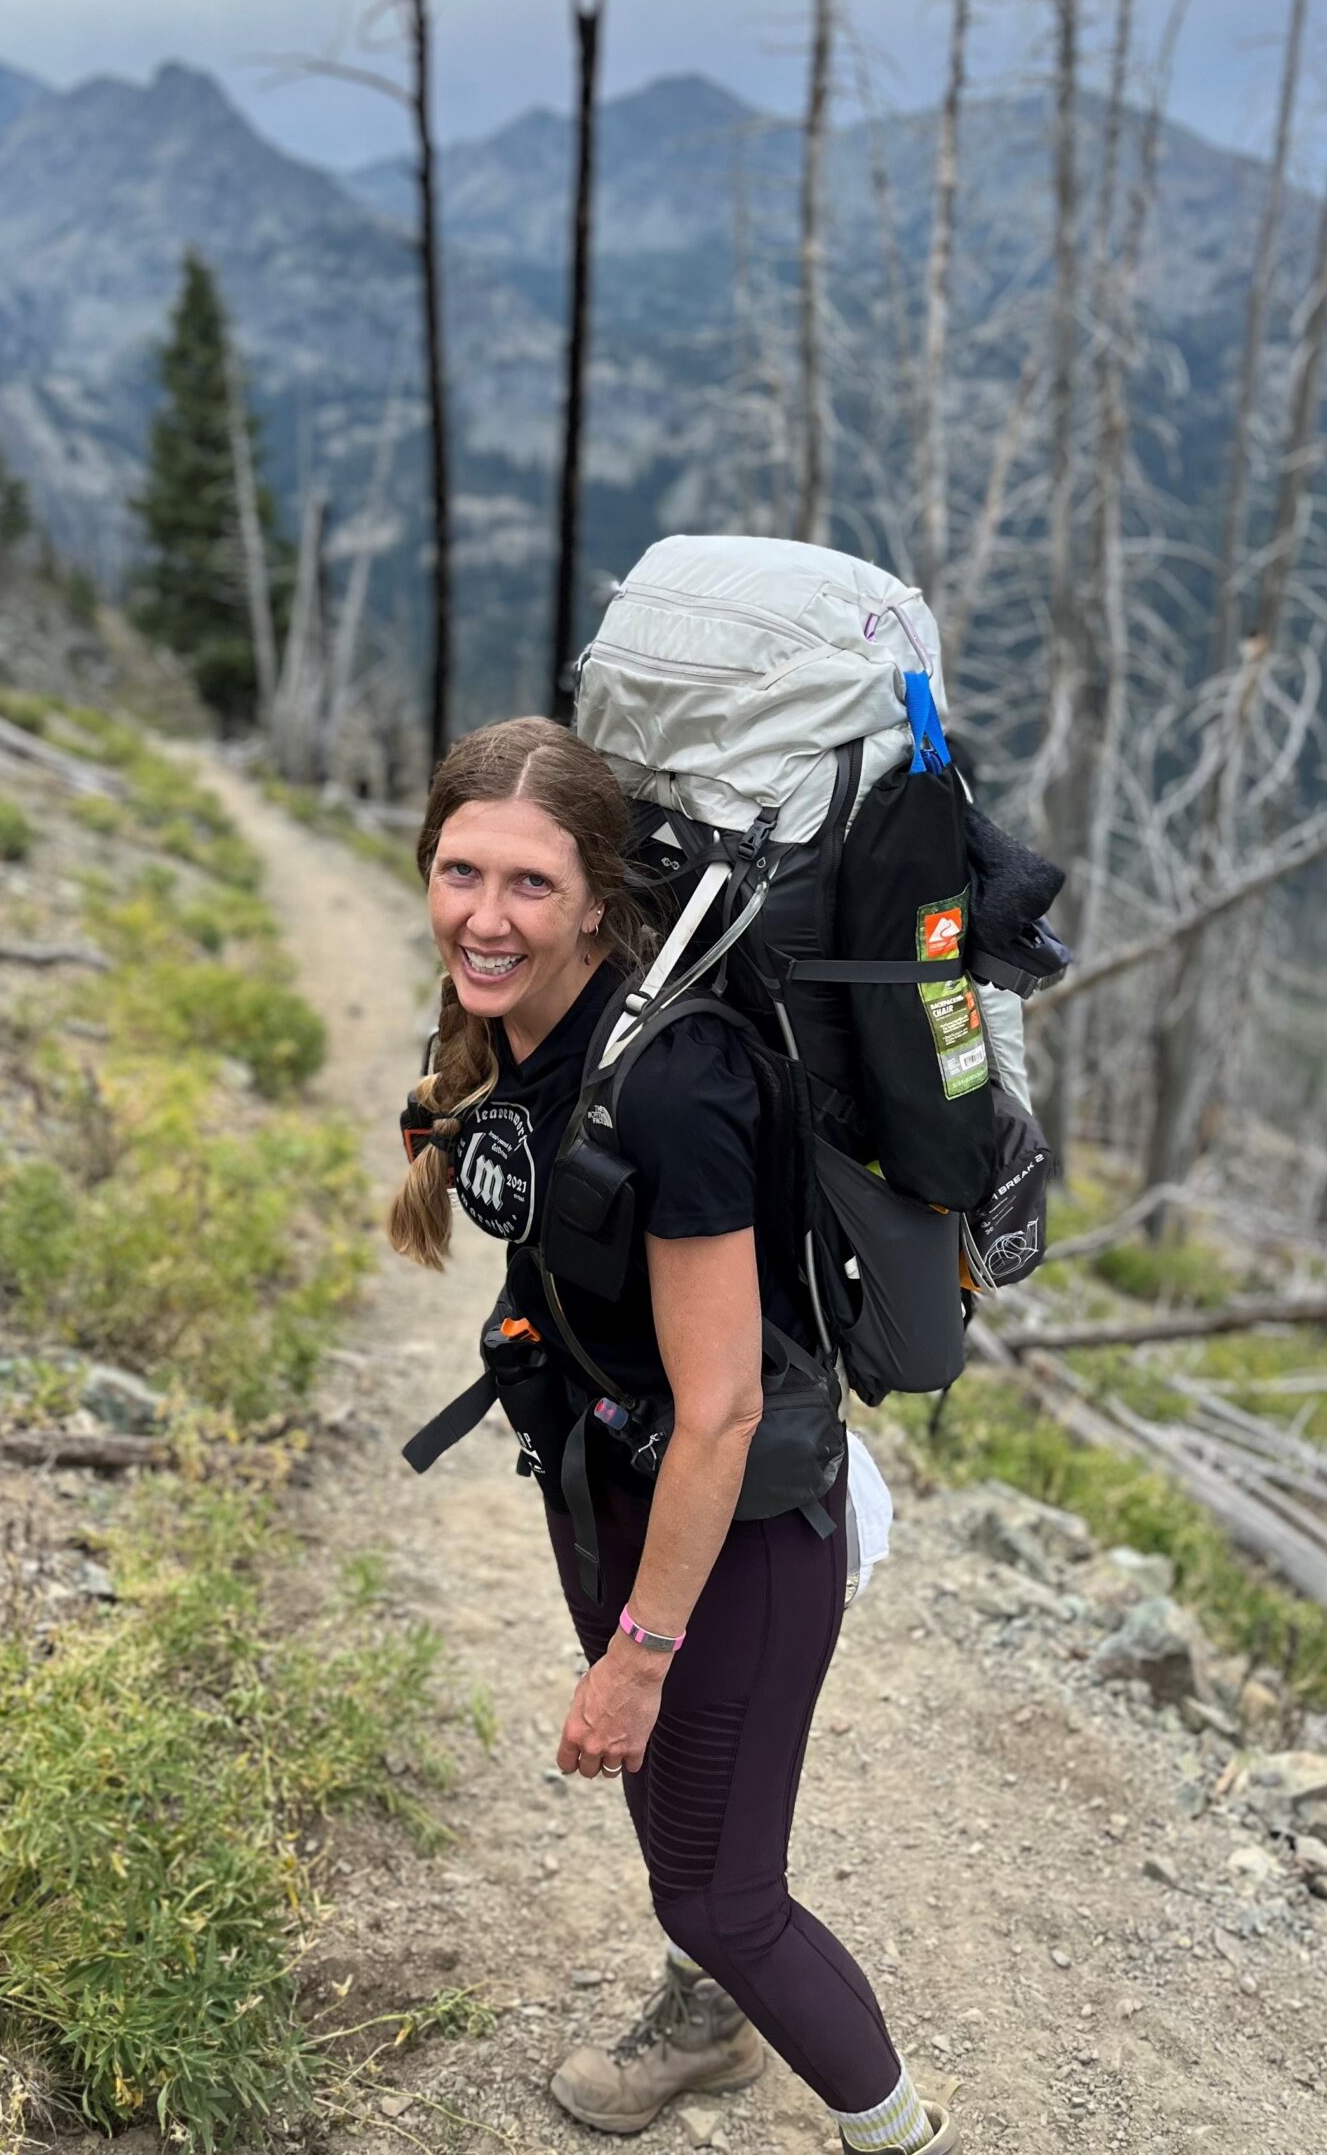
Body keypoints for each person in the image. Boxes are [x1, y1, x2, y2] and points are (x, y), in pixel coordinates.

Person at [388, 718, 956, 2155]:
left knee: (725, 1895)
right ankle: (706, 2029)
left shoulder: (673, 1083)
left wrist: (639, 1657)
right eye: (462, 872)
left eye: (528, 884)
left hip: (737, 1525)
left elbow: (726, 1407)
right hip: (605, 1484)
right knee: (673, 1827)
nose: (486, 914)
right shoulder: (518, 1028)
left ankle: (900, 2132)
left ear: (597, 901)